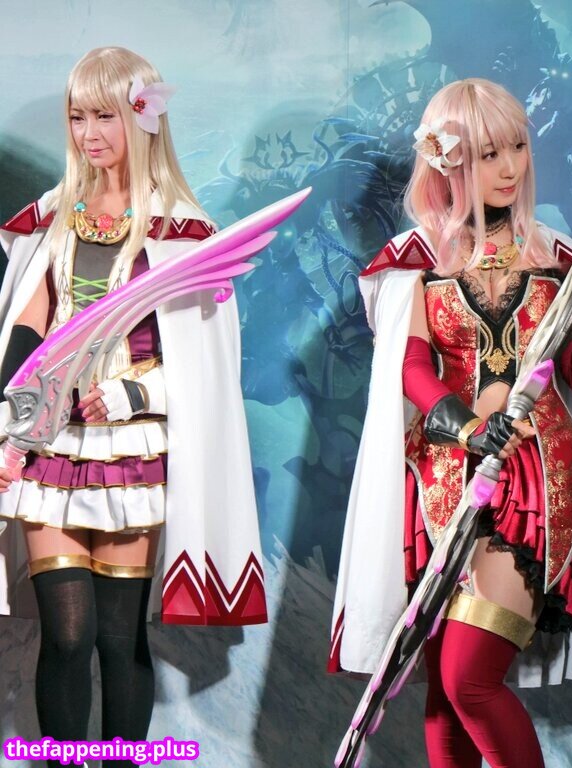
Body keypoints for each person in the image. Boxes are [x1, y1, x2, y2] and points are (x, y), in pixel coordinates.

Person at [328, 78, 572, 768]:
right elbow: (413, 368)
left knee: (469, 679)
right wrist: (469, 430)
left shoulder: (558, 257)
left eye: (517, 148)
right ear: (448, 163)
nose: (509, 168)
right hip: (443, 480)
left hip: (532, 482)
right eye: (488, 154)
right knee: (443, 695)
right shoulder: (418, 260)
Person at [0, 47, 266, 766]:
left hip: (133, 453)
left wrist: (127, 393)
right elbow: (27, 330)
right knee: (68, 635)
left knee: (119, 639)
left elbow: (207, 368)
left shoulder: (182, 232)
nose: (89, 134)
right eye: (78, 116)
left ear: (143, 118)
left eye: (105, 116)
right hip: (52, 449)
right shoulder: (56, 218)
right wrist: (12, 428)